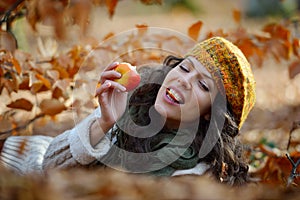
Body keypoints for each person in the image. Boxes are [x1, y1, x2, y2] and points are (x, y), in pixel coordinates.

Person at [0, 37, 256, 186]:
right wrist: (104, 121)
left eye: (202, 85)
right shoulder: (131, 105)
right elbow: (48, 167)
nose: (184, 81)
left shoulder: (193, 174)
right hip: (19, 158)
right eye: (185, 68)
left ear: (210, 113)